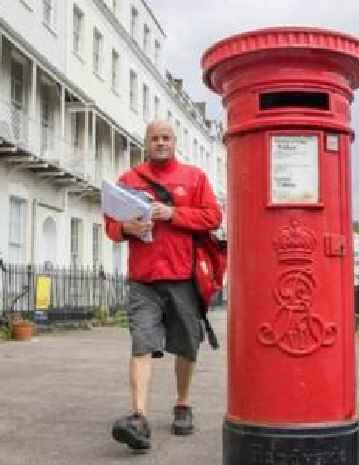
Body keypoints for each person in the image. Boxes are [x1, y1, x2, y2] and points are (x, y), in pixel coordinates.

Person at [105, 120, 222, 451]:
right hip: (143, 279)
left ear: (175, 142)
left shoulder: (194, 177)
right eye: (154, 138)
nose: (160, 143)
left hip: (184, 276)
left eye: (166, 138)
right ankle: (138, 417)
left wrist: (173, 213)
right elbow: (110, 226)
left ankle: (183, 403)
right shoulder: (129, 180)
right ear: (146, 143)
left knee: (186, 344)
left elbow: (213, 217)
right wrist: (125, 228)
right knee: (141, 344)